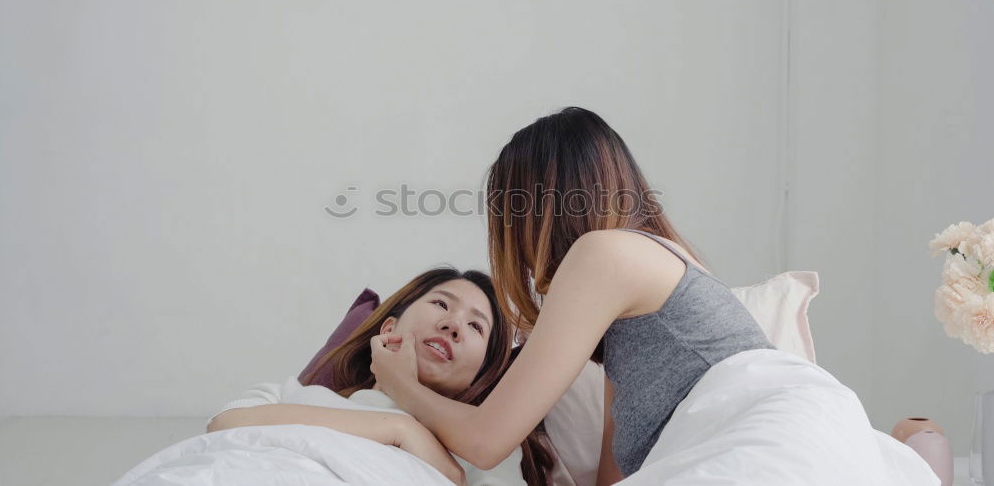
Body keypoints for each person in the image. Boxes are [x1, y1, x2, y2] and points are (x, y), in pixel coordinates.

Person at [367, 107, 883, 483]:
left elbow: (485, 441)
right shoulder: (635, 292)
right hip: (796, 437)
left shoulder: (603, 255)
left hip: (775, 438)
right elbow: (613, 475)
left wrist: (399, 384)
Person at [208, 267, 552, 486]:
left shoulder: (481, 448)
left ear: (481, 374)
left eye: (476, 325)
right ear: (390, 329)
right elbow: (223, 425)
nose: (452, 324)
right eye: (441, 305)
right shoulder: (296, 394)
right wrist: (398, 430)